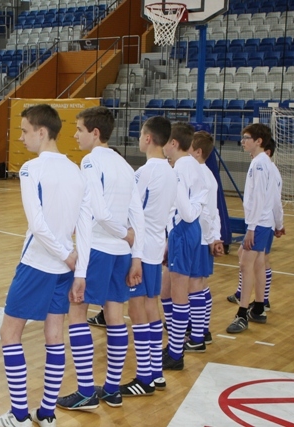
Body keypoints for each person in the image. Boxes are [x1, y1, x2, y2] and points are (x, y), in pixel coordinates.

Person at [0, 104, 86, 427]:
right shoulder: (76, 170)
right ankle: (46, 413)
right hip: (64, 268)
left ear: (42, 132)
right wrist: (77, 265)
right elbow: (84, 225)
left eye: (25, 131)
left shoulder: (31, 169)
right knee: (55, 335)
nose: (21, 137)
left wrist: (65, 255)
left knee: (9, 332)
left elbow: (38, 226)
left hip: (38, 263)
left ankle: (18, 416)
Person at [57, 106, 144, 410]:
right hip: (121, 254)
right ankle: (112, 389)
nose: (75, 135)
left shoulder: (91, 161)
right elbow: (137, 214)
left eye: (79, 129)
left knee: (77, 312)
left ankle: (85, 391)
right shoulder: (124, 164)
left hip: (98, 249)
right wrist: (136, 254)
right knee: (115, 316)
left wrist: (124, 234)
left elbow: (100, 212)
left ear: (95, 133)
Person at [119, 116, 176, 397]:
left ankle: (144, 377)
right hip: (156, 243)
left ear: (148, 138)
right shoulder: (170, 171)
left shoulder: (145, 172)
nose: (139, 138)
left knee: (136, 309)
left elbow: (133, 212)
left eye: (141, 134)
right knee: (151, 305)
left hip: (139, 249)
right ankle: (156, 373)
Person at [159, 122, 208, 370]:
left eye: (165, 142)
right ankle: (175, 346)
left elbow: (185, 212)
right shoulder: (192, 165)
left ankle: (176, 353)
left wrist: (173, 234)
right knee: (166, 290)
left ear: (173, 143)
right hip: (185, 232)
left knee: (178, 293)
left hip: (183, 230)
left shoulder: (179, 168)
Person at [226, 124, 279, 333]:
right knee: (257, 264)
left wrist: (251, 228)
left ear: (258, 141)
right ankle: (258, 308)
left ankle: (242, 314)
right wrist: (278, 223)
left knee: (245, 265)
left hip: (259, 224)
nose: (243, 141)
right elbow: (273, 199)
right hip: (264, 223)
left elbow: (258, 199)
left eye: (246, 138)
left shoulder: (259, 164)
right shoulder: (265, 164)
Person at [182, 131, 224, 353]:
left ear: (197, 152)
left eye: (188, 147)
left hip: (199, 237)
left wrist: (210, 238)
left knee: (195, 286)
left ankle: (197, 337)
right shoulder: (204, 174)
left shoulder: (201, 175)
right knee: (200, 285)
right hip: (203, 236)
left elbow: (207, 212)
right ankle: (203, 330)